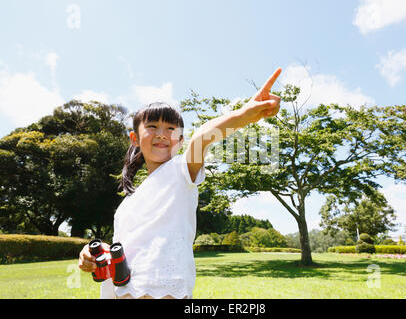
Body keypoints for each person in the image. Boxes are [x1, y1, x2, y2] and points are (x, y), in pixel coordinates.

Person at [78, 67, 282, 299]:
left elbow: (203, 137)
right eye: (152, 126)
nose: (162, 134)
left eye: (171, 129)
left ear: (181, 140)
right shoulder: (128, 202)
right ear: (134, 138)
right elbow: (126, 248)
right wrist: (94, 254)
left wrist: (245, 113)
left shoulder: (181, 172)